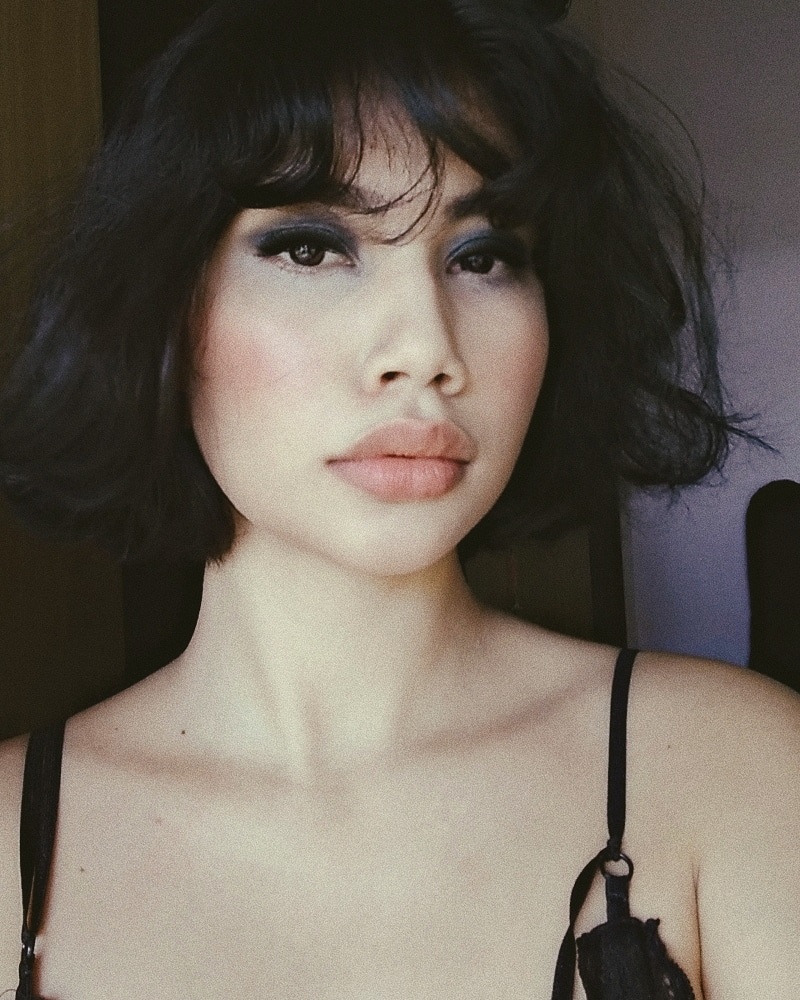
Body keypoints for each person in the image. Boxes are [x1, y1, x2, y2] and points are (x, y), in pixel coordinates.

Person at [0, 0, 798, 997]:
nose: (424, 348)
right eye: (310, 248)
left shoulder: (734, 773)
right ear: (164, 308)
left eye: (482, 257)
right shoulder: (9, 847)